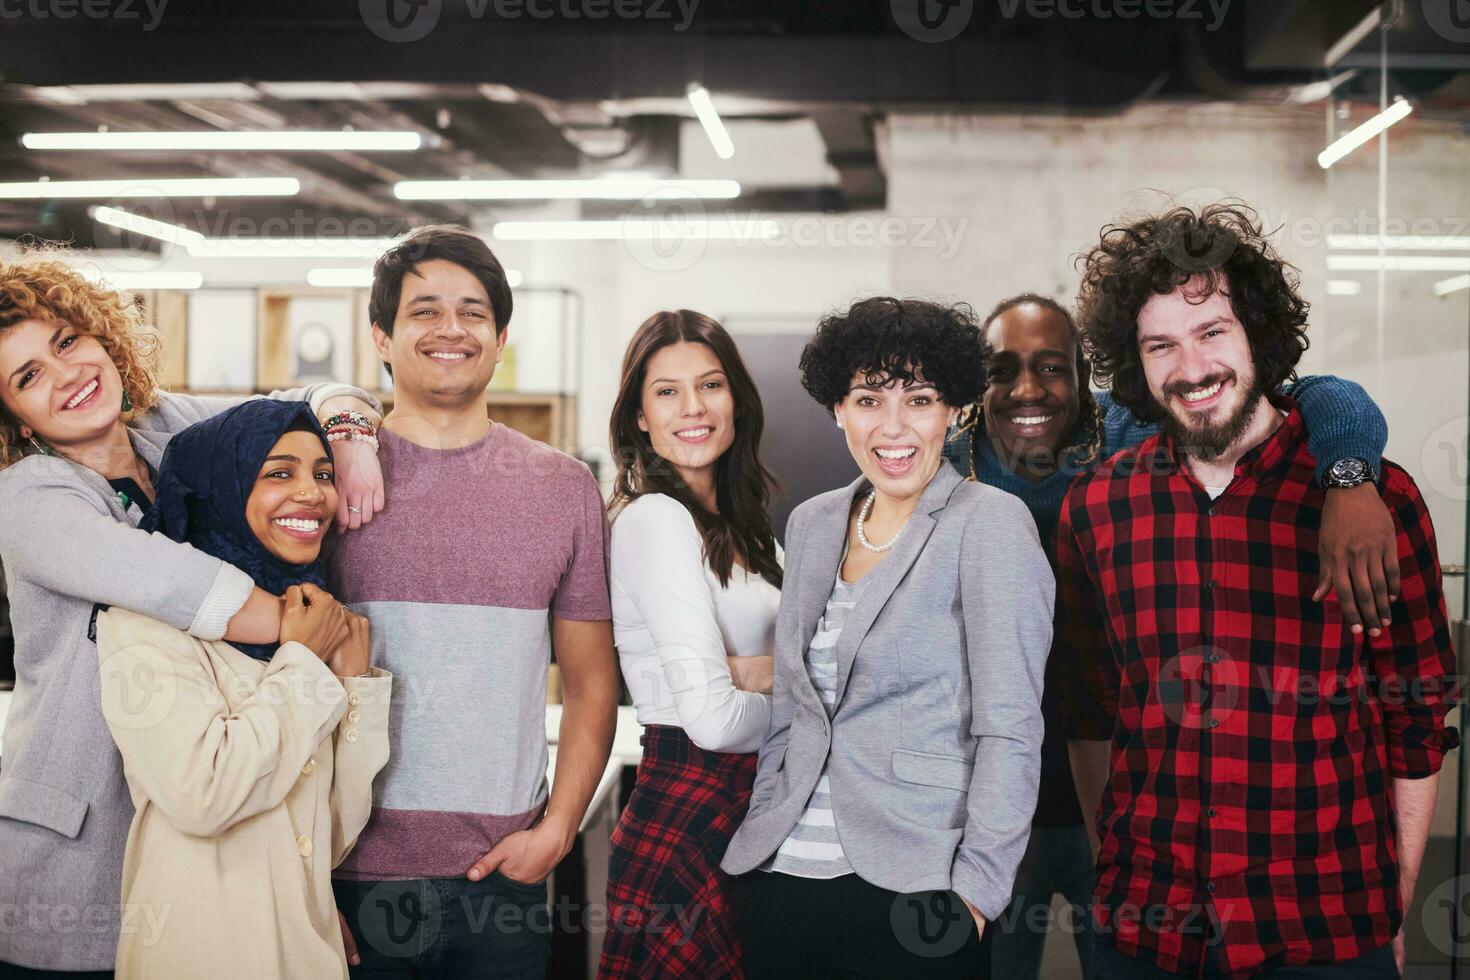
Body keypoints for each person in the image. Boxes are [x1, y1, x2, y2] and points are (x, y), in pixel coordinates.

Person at [1058, 203, 1459, 978]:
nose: (1192, 367)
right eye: (1161, 345)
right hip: (1146, 934)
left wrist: (1392, 904)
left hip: (1327, 929)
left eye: (1213, 333)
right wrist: (1117, 868)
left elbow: (1415, 717)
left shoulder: (1379, 504)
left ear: (1257, 339)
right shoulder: (1096, 509)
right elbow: (1090, 711)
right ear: (1134, 363)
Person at [943, 294, 1394, 980]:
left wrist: (1350, 476)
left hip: (1129, 801)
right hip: (990, 800)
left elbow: (1327, 393)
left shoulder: (1125, 426)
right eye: (1002, 369)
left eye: (1051, 367)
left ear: (1082, 370)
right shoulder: (943, 463)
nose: (1027, 390)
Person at [0, 251, 385, 977]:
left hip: (211, 836)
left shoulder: (166, 427)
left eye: (66, 342)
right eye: (27, 377)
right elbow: (176, 583)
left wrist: (351, 437)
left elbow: (299, 406)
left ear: (101, 337)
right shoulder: (30, 498)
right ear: (13, 418)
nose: (65, 374)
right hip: (76, 850)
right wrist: (313, 633)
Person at [722, 297, 1054, 979]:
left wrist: (978, 894)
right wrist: (764, 822)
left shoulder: (990, 524)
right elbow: (791, 706)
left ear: (956, 409)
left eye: (921, 398)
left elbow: (1011, 729)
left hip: (917, 892)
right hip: (780, 883)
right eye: (869, 399)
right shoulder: (814, 524)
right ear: (838, 408)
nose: (893, 426)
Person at [328, 225, 619, 978]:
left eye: (473, 312)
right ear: (381, 338)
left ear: (500, 337)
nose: (451, 328)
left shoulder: (562, 488)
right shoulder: (322, 479)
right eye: (424, 310)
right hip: (348, 873)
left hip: (503, 880)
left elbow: (591, 683)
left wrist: (558, 831)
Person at [95, 399, 392, 980]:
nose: (312, 493)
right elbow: (205, 796)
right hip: (200, 950)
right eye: (278, 472)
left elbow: (328, 835)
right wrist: (304, 660)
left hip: (306, 951)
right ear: (218, 488)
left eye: (323, 473)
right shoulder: (141, 627)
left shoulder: (312, 617)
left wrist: (355, 685)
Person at [598, 310, 784, 979]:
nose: (693, 408)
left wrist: (758, 673)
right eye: (667, 392)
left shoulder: (747, 527)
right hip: (691, 807)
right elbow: (710, 719)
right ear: (640, 417)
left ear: (737, 398)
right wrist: (799, 695)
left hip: (745, 808)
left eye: (710, 385)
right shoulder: (655, 520)